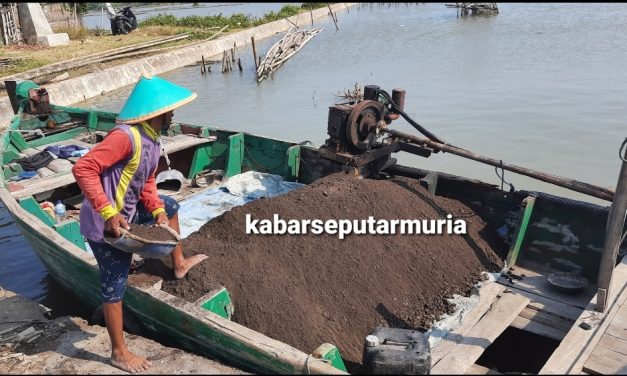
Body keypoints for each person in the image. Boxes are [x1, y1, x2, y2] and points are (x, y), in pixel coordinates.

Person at [72, 74, 208, 373]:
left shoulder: (152, 139)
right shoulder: (124, 137)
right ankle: (119, 352)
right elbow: (83, 168)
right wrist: (108, 213)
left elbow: (145, 180)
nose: (172, 115)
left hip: (129, 213)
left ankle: (179, 262)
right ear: (155, 113)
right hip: (105, 224)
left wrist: (157, 211)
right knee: (114, 282)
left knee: (170, 205)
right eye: (169, 111)